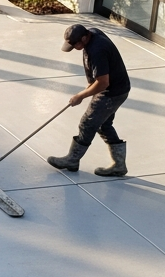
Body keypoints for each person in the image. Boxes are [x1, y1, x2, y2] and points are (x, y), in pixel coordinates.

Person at [47, 23, 130, 176]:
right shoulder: (92, 33)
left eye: (75, 45)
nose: (74, 48)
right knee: (103, 124)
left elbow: (103, 82)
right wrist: (90, 85)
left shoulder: (98, 50)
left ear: (84, 38)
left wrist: (81, 95)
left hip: (111, 92)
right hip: (118, 88)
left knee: (88, 123)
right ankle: (119, 165)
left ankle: (72, 160)